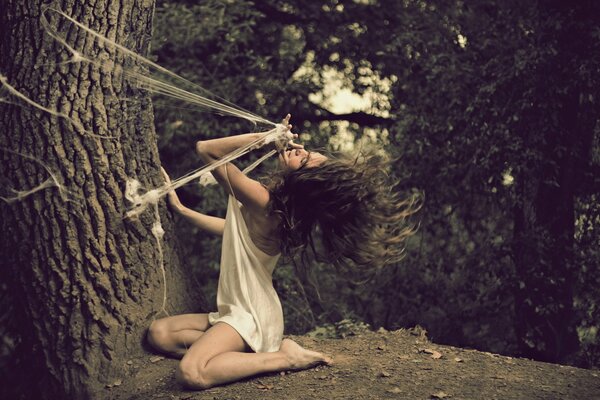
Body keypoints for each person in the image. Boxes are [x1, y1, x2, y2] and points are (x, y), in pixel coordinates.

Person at [147, 115, 419, 389]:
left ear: (300, 181)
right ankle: (236, 355)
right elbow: (233, 231)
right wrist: (182, 211)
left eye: (302, 159)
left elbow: (207, 149)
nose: (299, 150)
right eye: (307, 152)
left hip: (250, 315)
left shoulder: (265, 203)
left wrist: (264, 139)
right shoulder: (283, 213)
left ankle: (284, 357)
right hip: (239, 310)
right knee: (159, 334)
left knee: (192, 373)